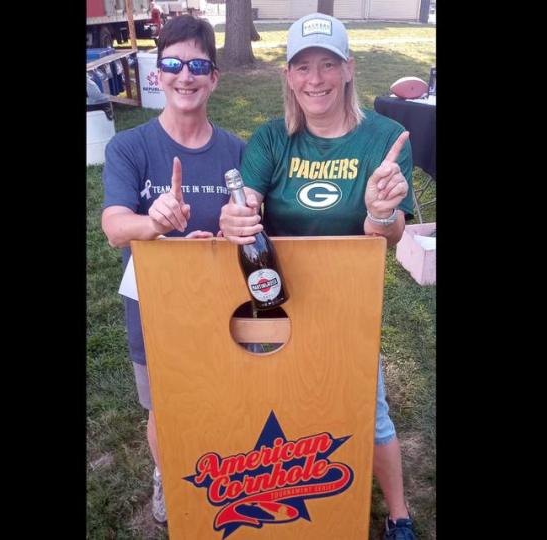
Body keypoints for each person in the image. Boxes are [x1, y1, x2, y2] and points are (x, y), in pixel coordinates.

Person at [218, 13, 418, 540]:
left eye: (328, 64)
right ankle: (285, 497)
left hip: (349, 305)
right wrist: (235, 216)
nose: (315, 79)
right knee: (275, 402)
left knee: (369, 414)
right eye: (303, 66)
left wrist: (378, 212)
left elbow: (392, 234)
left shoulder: (387, 139)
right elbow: (248, 204)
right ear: (287, 75)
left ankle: (398, 514)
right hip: (276, 303)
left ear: (349, 68)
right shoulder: (270, 139)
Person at [100, 14, 245, 526]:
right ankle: (167, 474)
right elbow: (114, 227)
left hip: (225, 303)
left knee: (228, 394)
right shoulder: (129, 147)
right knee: (163, 406)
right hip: (155, 308)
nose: (186, 75)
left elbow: (252, 225)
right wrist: (152, 220)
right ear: (157, 72)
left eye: (198, 64)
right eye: (173, 63)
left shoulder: (236, 151)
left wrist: (231, 231)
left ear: (214, 77)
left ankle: (227, 469)